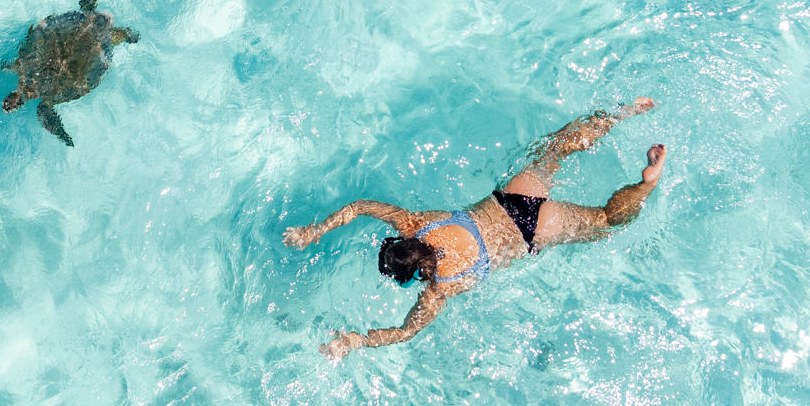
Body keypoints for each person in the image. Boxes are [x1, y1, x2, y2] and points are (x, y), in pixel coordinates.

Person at [282, 98, 667, 359]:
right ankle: (621, 113)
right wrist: (315, 231)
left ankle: (647, 183)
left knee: (605, 220)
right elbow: (360, 206)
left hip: (533, 232)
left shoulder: (439, 288)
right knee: (557, 148)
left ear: (414, 275)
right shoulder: (416, 223)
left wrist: (354, 341)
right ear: (406, 241)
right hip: (513, 198)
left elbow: (403, 332)